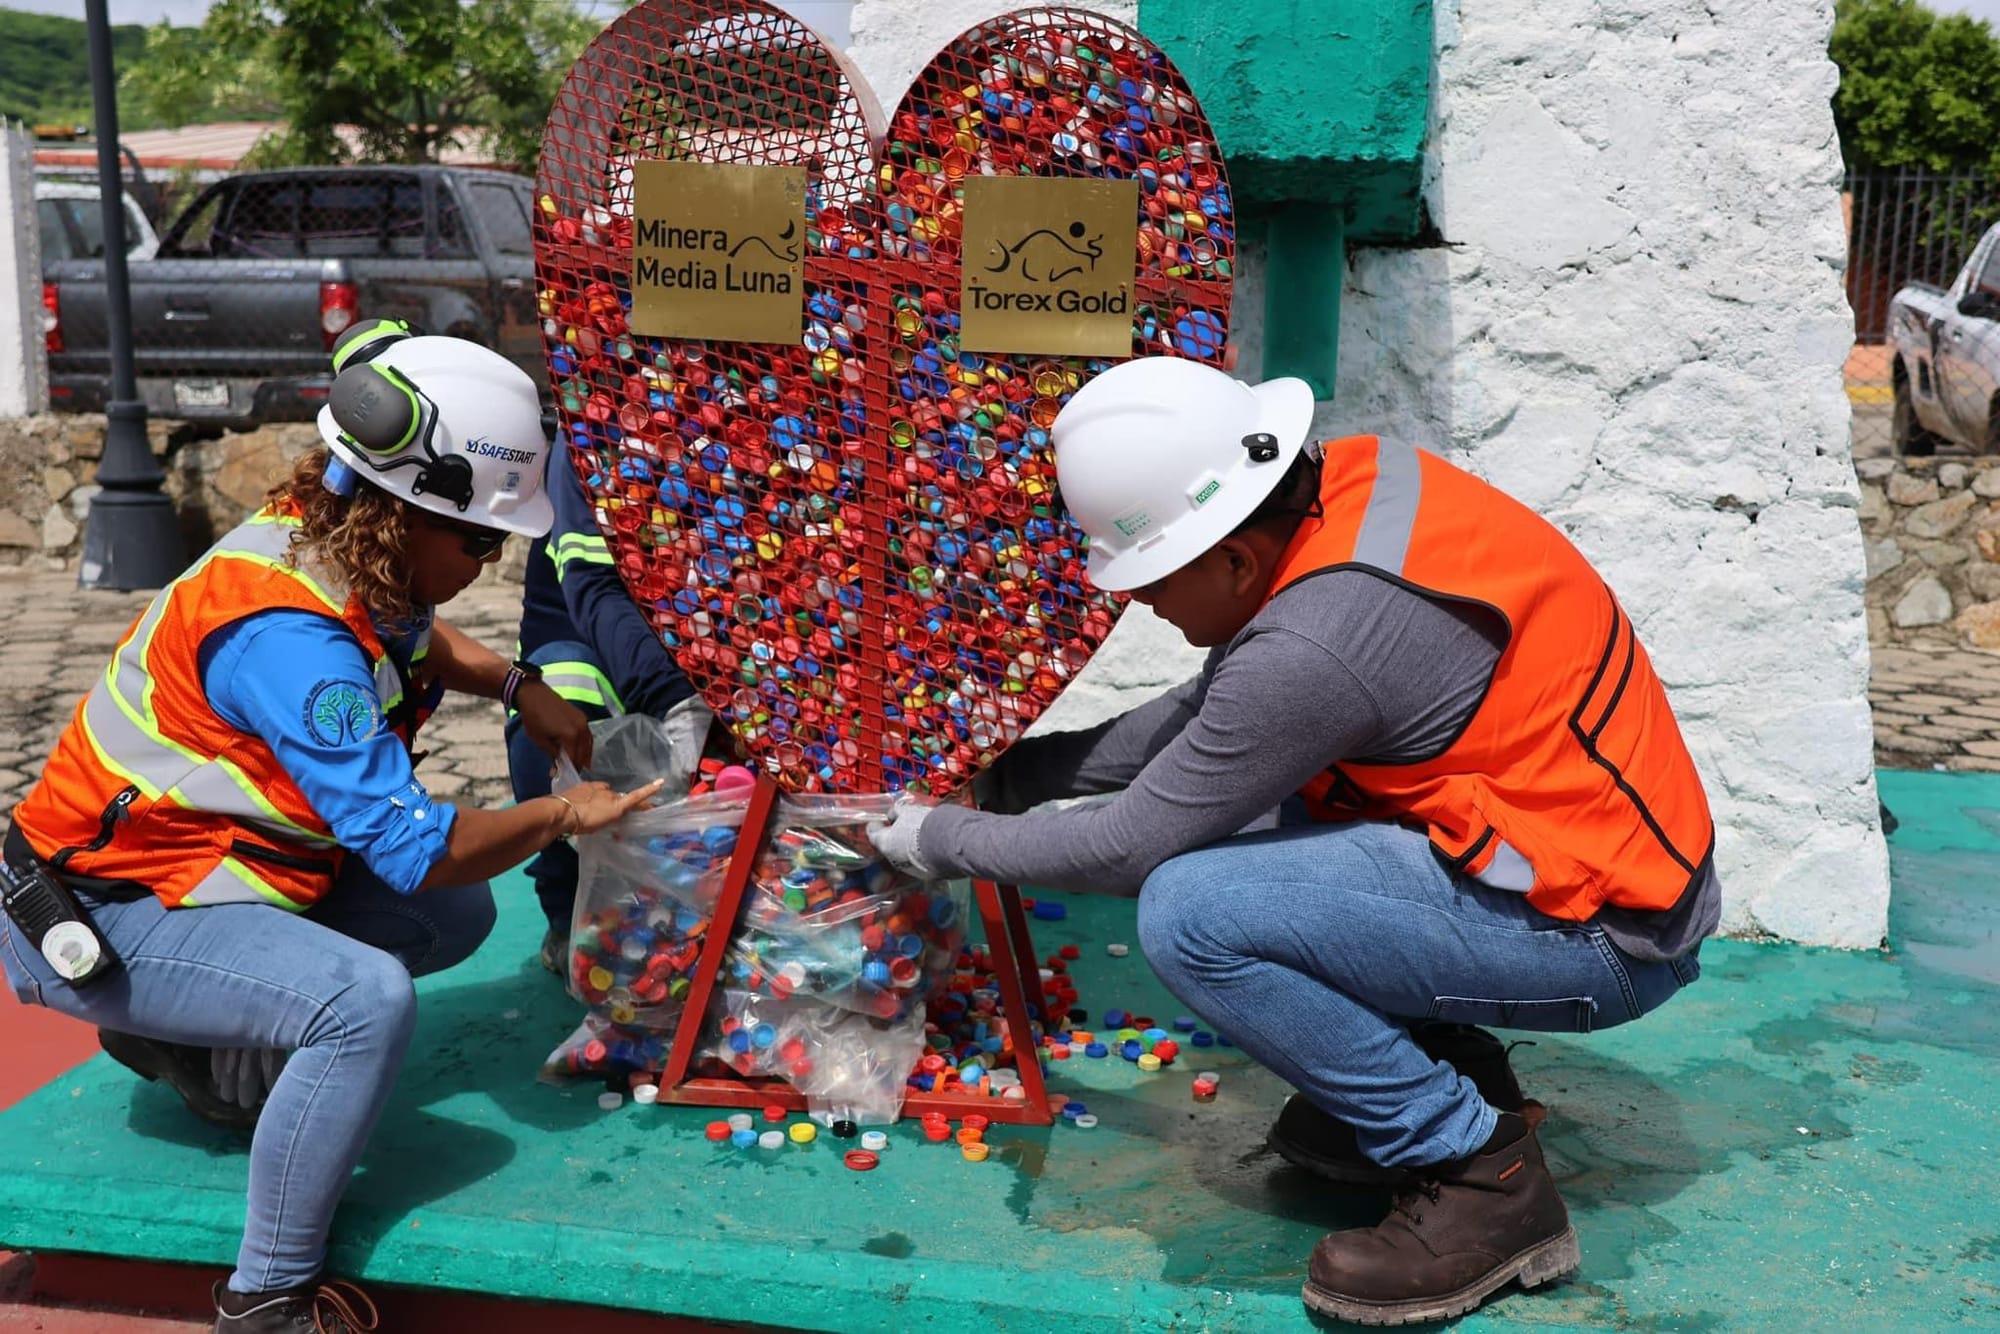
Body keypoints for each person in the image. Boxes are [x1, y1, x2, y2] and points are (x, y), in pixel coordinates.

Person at [869, 356, 1718, 1326]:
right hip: (1573, 850)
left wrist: (941, 836)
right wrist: (1019, 774)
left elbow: (1128, 845)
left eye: (1148, 578)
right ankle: (1443, 1067)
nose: (1139, 602)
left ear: (1233, 561)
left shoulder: (1314, 647)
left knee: (1189, 910)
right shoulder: (1342, 487)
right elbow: (1215, 715)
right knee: (1262, 816)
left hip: (1603, 924)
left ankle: (1480, 1173)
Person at [0, 321, 662, 1334]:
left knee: (451, 917)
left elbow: (409, 634)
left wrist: (518, 682)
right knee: (363, 1000)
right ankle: (264, 1292)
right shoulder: (290, 644)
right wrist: (564, 811)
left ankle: (195, 1049)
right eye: (479, 539)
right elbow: (415, 843)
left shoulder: (340, 532)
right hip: (99, 912)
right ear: (405, 512)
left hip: (203, 874)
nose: (486, 562)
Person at [506, 436, 708, 974]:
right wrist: (680, 702)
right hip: (611, 674)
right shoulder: (594, 442)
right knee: (556, 682)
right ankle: (574, 913)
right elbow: (596, 588)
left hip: (714, 670)